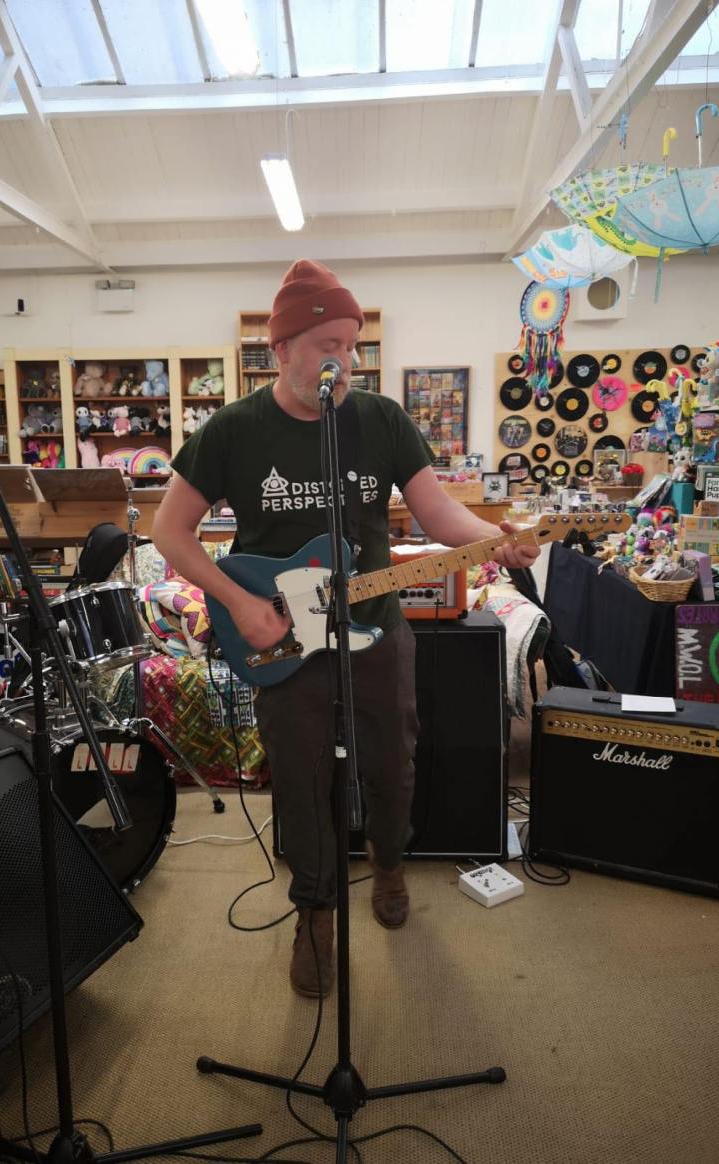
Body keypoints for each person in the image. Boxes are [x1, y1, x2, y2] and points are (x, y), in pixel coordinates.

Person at [152, 259, 539, 999]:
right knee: (300, 778)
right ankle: (314, 912)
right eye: (329, 343)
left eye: (352, 344)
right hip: (281, 637)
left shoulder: (379, 420)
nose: (346, 360)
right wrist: (237, 603)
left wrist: (497, 539)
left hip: (375, 627)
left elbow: (436, 512)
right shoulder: (233, 430)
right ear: (282, 349)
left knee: (393, 764)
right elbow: (170, 532)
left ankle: (388, 867)